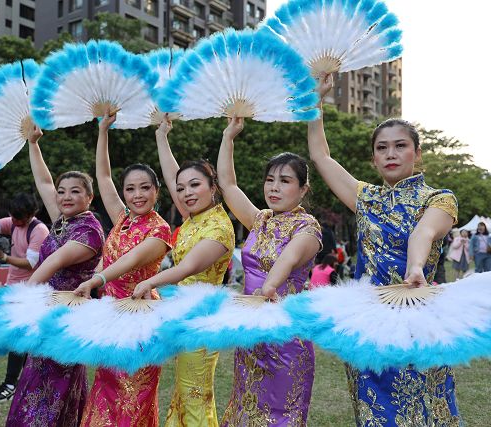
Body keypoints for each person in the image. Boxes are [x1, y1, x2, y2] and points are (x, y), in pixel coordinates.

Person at [307, 74, 460, 426]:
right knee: (373, 412)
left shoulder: (439, 198)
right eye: (382, 147)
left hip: (418, 314)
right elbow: (320, 156)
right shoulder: (366, 198)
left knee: (426, 407)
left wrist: (416, 267)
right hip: (368, 323)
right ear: (374, 158)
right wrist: (316, 103)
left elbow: (423, 232)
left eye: (401, 145)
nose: (391, 153)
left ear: (417, 153)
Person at [215, 117, 321, 426]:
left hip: (286, 337)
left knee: (279, 418)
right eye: (270, 179)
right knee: (246, 411)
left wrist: (268, 287)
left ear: (303, 189)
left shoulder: (307, 226)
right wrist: (228, 136)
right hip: (251, 335)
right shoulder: (259, 220)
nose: (274, 187)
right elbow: (229, 184)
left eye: (285, 181)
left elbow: (286, 260)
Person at [132, 115, 235, 426]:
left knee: (195, 397)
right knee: (184, 395)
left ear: (212, 186)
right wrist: (161, 136)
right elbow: (170, 173)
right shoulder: (193, 218)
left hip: (203, 319)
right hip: (184, 316)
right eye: (181, 188)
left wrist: (148, 282)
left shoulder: (218, 226)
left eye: (195, 185)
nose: (187, 193)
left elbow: (188, 267)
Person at [72, 113, 172, 426]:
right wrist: (103, 131)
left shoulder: (161, 230)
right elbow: (103, 178)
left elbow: (130, 261)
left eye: (145, 188)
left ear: (157, 190)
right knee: (105, 392)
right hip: (111, 316)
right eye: (130, 189)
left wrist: (97, 278)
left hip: (142, 320)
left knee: (133, 400)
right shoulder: (123, 219)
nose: (137, 195)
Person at [5, 126, 105, 427]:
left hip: (67, 318)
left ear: (89, 197)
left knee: (51, 386)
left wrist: (20, 299)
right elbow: (45, 181)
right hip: (48, 313)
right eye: (62, 192)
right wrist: (33, 144)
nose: (65, 196)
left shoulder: (88, 230)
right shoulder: (63, 221)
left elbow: (53, 262)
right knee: (37, 377)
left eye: (75, 191)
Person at [0, 192, 49, 404]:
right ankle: (28, 382)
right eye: (13, 218)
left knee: (19, 338)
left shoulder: (39, 230)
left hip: (31, 290)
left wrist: (5, 257)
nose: (16, 222)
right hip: (13, 289)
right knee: (25, 340)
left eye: (20, 219)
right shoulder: (14, 222)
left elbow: (31, 264)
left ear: (31, 214)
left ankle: (10, 384)